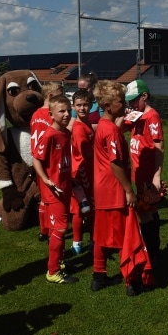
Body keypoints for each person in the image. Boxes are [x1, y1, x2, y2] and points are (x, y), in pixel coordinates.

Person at [91, 80, 145, 295]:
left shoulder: (105, 127)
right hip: (114, 190)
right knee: (126, 234)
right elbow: (115, 163)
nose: (124, 105)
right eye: (120, 102)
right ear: (106, 105)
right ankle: (131, 281)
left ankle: (98, 276)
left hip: (101, 190)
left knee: (101, 236)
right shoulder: (111, 130)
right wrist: (129, 190)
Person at [32, 95, 79, 284]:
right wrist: (46, 180)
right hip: (54, 191)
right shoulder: (50, 134)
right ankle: (52, 272)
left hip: (65, 187)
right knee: (60, 228)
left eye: (68, 110)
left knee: (57, 228)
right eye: (62, 111)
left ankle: (59, 262)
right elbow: (36, 158)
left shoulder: (66, 133)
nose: (67, 114)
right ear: (51, 114)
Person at [123, 79, 165, 268]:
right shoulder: (137, 115)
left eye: (134, 100)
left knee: (146, 214)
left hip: (148, 174)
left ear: (144, 96)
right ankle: (154, 250)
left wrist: (156, 175)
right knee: (149, 213)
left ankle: (152, 253)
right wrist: (127, 115)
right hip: (139, 173)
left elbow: (159, 146)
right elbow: (119, 128)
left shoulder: (152, 117)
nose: (131, 104)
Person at [31, 81, 64, 242]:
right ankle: (51, 229)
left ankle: (43, 230)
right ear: (51, 97)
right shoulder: (49, 115)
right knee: (52, 198)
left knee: (44, 198)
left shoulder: (35, 114)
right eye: (60, 95)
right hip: (49, 161)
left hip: (37, 158)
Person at [69, 89, 95, 255]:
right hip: (82, 172)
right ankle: (81, 242)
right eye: (78, 105)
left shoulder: (85, 125)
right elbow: (86, 153)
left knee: (85, 208)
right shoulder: (79, 128)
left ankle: (83, 242)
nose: (82, 108)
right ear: (73, 106)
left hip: (84, 170)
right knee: (85, 208)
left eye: (85, 105)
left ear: (91, 106)